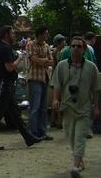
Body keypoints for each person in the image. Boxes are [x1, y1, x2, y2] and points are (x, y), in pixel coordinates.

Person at [0, 25, 43, 150]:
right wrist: (19, 58)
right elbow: (9, 67)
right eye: (12, 33)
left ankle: (28, 137)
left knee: (15, 114)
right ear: (6, 35)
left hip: (3, 84)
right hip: (5, 85)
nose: (14, 36)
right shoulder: (5, 49)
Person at [52, 35, 100, 178]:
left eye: (79, 46)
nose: (76, 49)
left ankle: (75, 166)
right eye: (73, 46)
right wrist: (55, 99)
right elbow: (57, 85)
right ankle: (79, 161)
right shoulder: (61, 66)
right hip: (67, 108)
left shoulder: (91, 67)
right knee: (71, 136)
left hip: (84, 108)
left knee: (80, 137)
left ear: (84, 49)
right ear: (70, 48)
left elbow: (96, 88)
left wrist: (95, 107)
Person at [26, 25, 54, 140]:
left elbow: (51, 61)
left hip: (45, 78)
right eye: (46, 33)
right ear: (40, 34)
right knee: (35, 107)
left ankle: (42, 131)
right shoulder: (30, 45)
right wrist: (44, 61)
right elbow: (34, 60)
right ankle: (32, 132)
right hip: (35, 79)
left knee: (43, 107)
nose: (47, 35)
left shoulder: (47, 46)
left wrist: (42, 61)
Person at [51, 34, 67, 129]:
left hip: (54, 77)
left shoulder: (55, 51)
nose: (64, 43)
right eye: (63, 42)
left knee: (55, 99)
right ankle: (59, 121)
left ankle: (53, 120)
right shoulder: (59, 52)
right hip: (58, 77)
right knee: (59, 99)